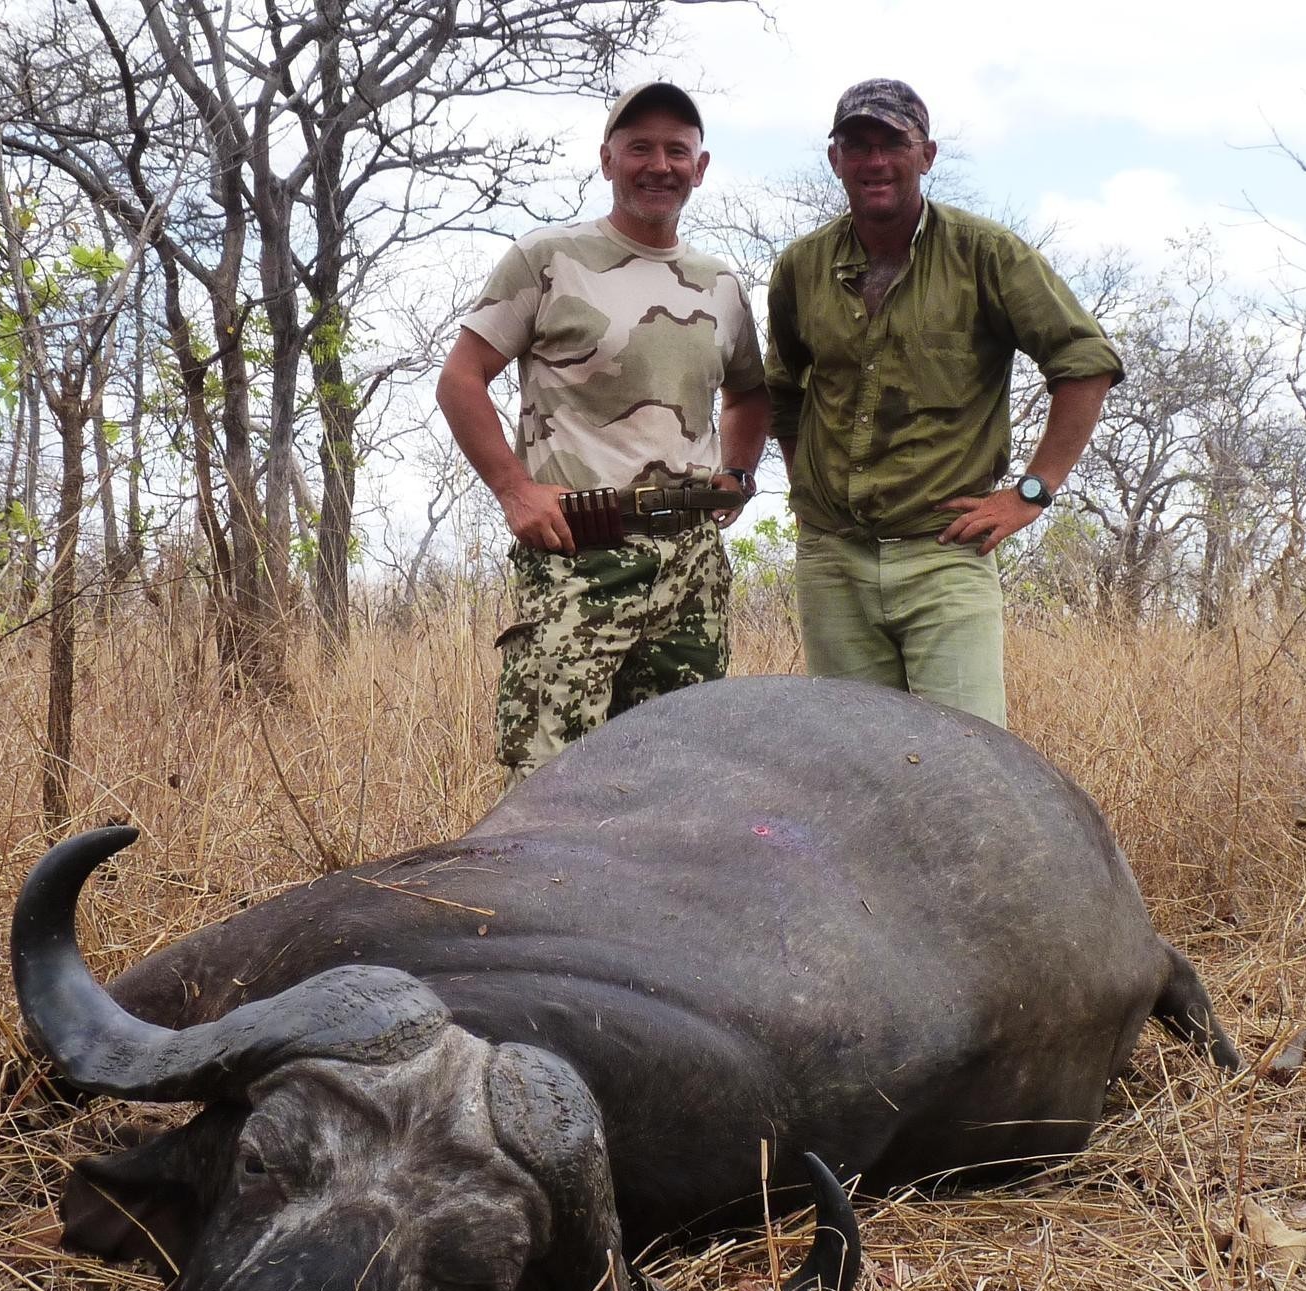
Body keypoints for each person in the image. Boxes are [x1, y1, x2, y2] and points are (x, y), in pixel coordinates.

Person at [436, 81, 771, 782]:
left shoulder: (721, 284)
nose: (660, 165)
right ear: (607, 159)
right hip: (580, 550)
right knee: (554, 782)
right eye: (640, 147)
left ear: (700, 167)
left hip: (692, 562)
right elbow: (462, 378)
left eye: (677, 150)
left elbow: (748, 390)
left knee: (683, 778)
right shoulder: (549, 258)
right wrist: (514, 490)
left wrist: (737, 472)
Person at [764, 78, 1124, 727]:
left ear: (926, 154)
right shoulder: (801, 266)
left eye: (892, 143)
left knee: (968, 765)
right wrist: (810, 490)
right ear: (835, 158)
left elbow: (1085, 362)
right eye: (858, 145)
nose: (875, 161)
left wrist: (1031, 494)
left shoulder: (987, 254)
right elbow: (783, 389)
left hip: (944, 554)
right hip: (832, 562)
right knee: (856, 766)